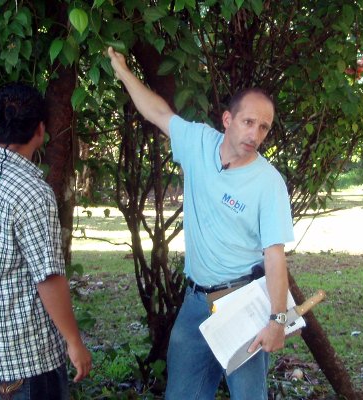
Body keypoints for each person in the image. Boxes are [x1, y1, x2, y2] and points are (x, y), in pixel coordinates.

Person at [108, 47, 295, 399]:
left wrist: (277, 320)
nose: (255, 134)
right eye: (248, 122)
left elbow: (274, 255)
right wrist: (122, 72)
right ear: (227, 120)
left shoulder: (268, 182)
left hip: (243, 305)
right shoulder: (197, 143)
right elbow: (157, 111)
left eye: (264, 127)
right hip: (196, 304)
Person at [0, 82, 92, 399]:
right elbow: (48, 277)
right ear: (40, 130)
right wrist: (74, 341)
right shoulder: (32, 193)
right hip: (26, 358)